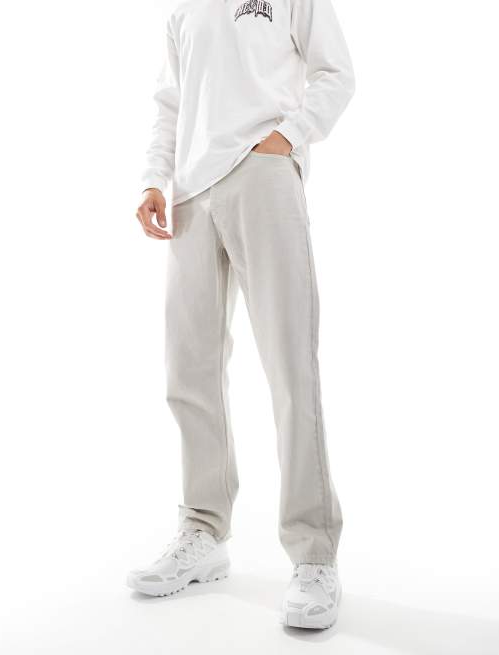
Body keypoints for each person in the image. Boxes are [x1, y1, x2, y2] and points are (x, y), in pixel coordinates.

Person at [127, 0, 354, 630]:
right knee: (188, 371)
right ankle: (203, 530)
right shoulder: (181, 10)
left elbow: (336, 73)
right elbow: (171, 101)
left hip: (263, 175)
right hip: (190, 193)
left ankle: (314, 554)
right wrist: (153, 177)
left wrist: (289, 136)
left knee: (289, 366)